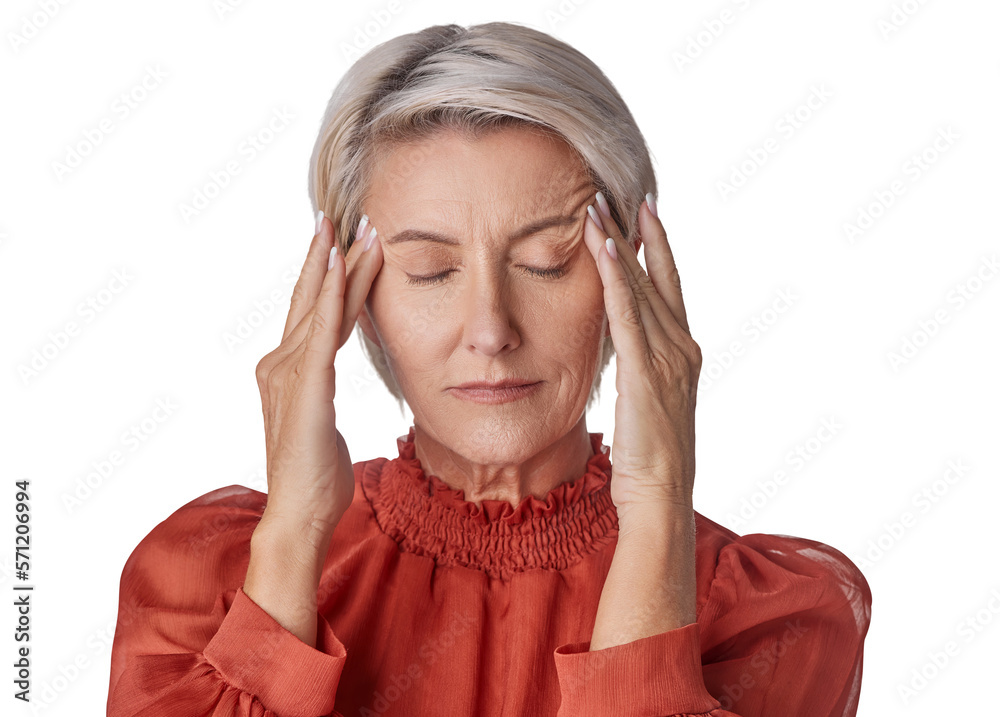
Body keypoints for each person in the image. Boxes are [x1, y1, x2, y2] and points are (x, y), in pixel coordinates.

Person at [107, 21, 872, 717]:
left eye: (547, 261)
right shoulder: (204, 584)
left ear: (626, 284)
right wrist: (294, 536)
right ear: (354, 295)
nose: (491, 330)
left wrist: (657, 510)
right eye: (431, 270)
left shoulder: (767, 618)